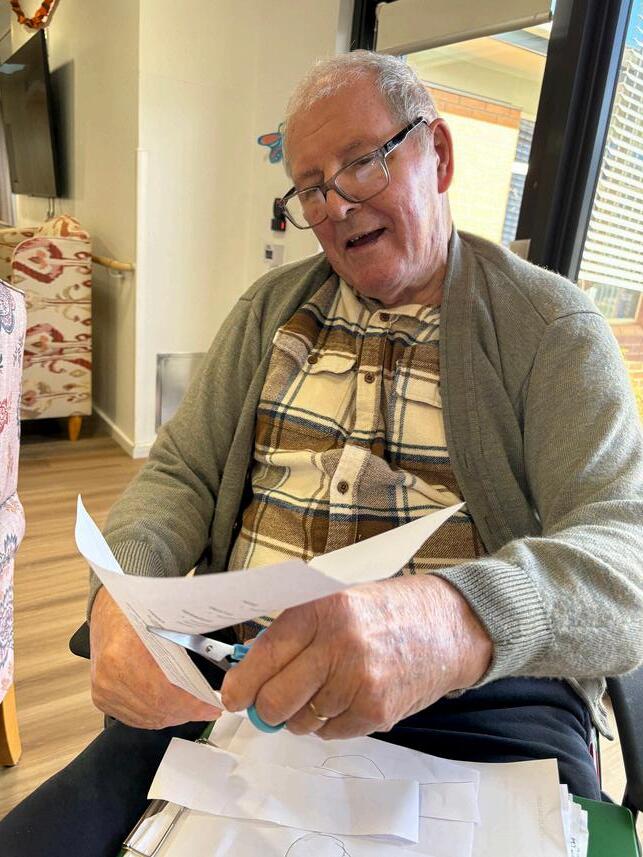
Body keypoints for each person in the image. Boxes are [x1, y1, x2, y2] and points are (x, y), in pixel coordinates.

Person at [1, 50, 642, 857]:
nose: (334, 204)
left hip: (479, 712)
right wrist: (123, 596)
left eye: (362, 162)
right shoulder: (269, 311)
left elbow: (625, 558)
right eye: (309, 187)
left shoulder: (551, 330)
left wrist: (453, 619)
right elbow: (179, 473)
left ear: (438, 155)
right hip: (240, 685)